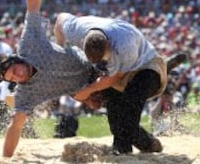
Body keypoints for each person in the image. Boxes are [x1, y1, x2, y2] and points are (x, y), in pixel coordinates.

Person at [0, 0, 95, 157]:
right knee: (93, 101)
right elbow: (16, 125)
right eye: (13, 79)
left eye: (15, 70)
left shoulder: (29, 43)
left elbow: (33, 5)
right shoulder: (25, 93)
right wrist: (5, 160)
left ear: (17, 59)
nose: (18, 77)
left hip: (89, 58)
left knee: (85, 34)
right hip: (86, 88)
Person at [53, 12, 188, 155]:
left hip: (144, 67)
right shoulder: (75, 29)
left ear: (109, 45)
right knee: (115, 117)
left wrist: (88, 91)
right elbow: (60, 19)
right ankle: (149, 144)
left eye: (103, 58)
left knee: (128, 106)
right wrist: (60, 51)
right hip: (116, 70)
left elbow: (114, 79)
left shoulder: (124, 45)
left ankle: (123, 149)